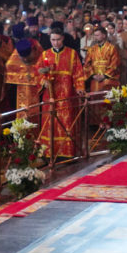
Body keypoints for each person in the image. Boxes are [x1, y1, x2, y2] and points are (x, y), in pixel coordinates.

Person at [36, 28, 86, 160]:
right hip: (50, 96)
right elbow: (37, 73)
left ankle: (66, 153)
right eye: (53, 40)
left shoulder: (72, 54)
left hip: (67, 95)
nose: (55, 43)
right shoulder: (45, 54)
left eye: (58, 39)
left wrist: (80, 87)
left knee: (66, 123)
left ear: (62, 38)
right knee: (49, 122)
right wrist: (43, 81)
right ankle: (49, 153)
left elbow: (78, 73)